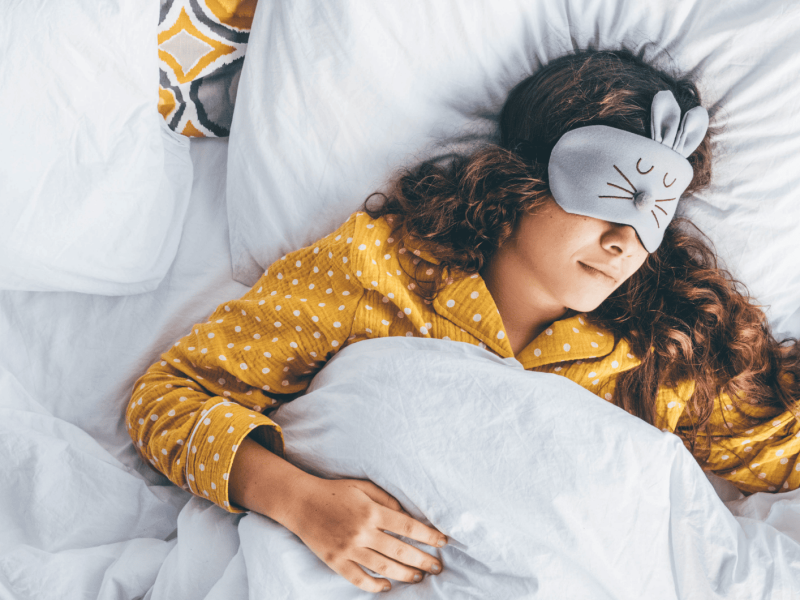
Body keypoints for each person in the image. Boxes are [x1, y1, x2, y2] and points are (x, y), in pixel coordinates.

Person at [127, 48, 800, 594]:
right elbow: (169, 398)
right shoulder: (377, 269)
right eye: (611, 194)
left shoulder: (665, 351)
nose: (627, 239)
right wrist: (296, 499)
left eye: (655, 212)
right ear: (521, 179)